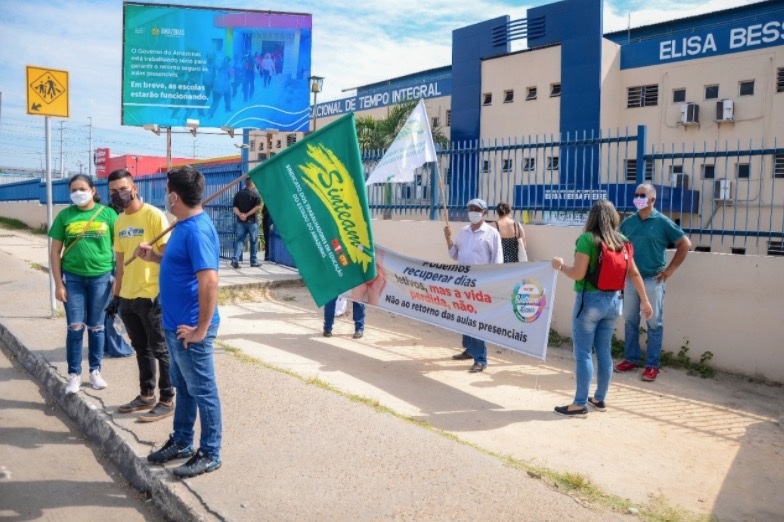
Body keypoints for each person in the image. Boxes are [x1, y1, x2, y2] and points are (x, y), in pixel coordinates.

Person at [138, 165, 222, 478]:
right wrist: (154, 257)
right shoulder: (182, 226)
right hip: (175, 326)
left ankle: (211, 452)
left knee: (203, 390)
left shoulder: (197, 230)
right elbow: (181, 263)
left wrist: (201, 329)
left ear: (174, 196)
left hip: (191, 330)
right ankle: (183, 441)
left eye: (165, 192)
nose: (163, 197)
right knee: (184, 388)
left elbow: (209, 281)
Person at [551, 200, 653, 417]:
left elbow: (578, 274)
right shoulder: (623, 241)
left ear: (592, 217)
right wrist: (645, 300)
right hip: (614, 302)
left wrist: (559, 266)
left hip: (589, 302)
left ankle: (579, 404)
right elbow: (634, 273)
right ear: (614, 217)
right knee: (604, 351)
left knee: (583, 353)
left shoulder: (587, 239)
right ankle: (599, 398)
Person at [108, 169, 174, 422]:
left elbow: (169, 257)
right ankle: (147, 394)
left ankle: (167, 398)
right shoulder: (119, 221)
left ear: (134, 188)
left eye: (123, 188)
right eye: (113, 191)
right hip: (128, 296)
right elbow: (120, 262)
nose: (118, 194)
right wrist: (116, 296)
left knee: (160, 348)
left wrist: (163, 292)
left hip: (151, 295)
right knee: (140, 348)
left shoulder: (154, 216)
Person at [615, 184, 692, 382]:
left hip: (653, 280)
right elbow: (617, 245)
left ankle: (652, 365)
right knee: (631, 320)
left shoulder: (663, 222)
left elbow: (685, 244)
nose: (638, 198)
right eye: (636, 195)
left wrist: (670, 271)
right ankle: (631, 358)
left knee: (654, 323)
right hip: (631, 280)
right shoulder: (628, 222)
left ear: (653, 199)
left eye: (643, 195)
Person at [48, 174, 116, 395]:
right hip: (73, 279)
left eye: (82, 188)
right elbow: (55, 252)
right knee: (75, 327)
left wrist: (118, 278)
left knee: (97, 327)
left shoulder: (108, 214)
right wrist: (59, 284)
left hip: (101, 278)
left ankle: (95, 372)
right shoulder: (65, 216)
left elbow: (121, 247)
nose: (78, 193)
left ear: (93, 190)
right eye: (74, 190)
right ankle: (74, 375)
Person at [443, 198, 502, 373]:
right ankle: (469, 349)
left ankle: (481, 359)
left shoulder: (491, 233)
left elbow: (497, 261)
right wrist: (448, 239)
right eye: (470, 208)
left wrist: (491, 284)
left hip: (480, 284)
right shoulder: (463, 232)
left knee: (477, 321)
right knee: (464, 318)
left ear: (484, 213)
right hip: (463, 281)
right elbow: (454, 255)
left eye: (477, 209)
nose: (473, 212)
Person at [231, 178, 262, 269]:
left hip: (241, 222)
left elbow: (234, 207)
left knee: (239, 240)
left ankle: (235, 260)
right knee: (254, 241)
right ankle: (253, 261)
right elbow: (257, 207)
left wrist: (240, 215)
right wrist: (247, 215)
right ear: (252, 184)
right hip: (252, 221)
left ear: (246, 183)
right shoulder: (256, 194)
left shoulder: (238, 194)